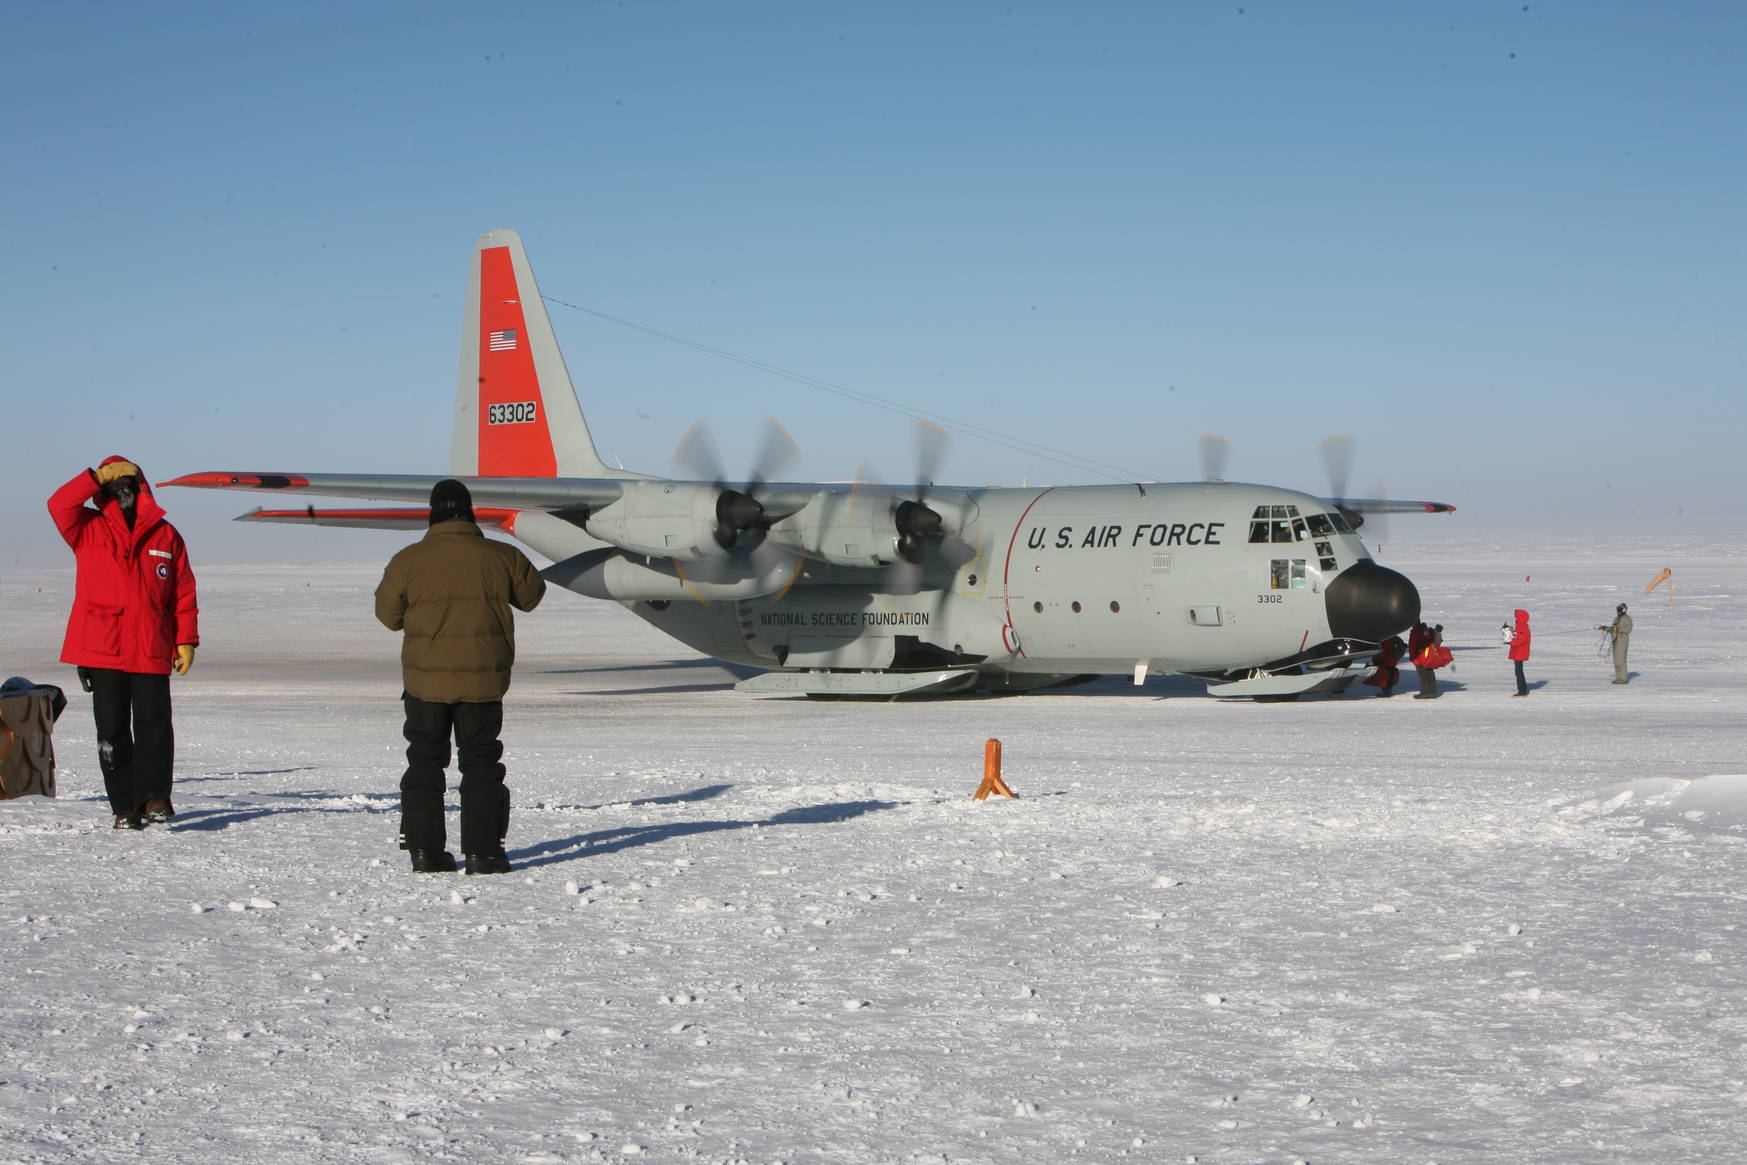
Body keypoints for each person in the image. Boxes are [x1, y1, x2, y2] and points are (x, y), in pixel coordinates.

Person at [375, 480, 545, 875]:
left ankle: (425, 851)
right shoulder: (502, 556)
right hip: (482, 684)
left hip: (424, 686)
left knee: (424, 762)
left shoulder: (407, 560)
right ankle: (484, 855)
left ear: (432, 515)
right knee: (481, 762)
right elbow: (532, 596)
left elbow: (388, 616)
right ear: (469, 513)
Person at [47, 458, 199, 829]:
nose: (123, 489)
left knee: (154, 725)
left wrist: (185, 640)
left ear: (141, 487)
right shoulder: (86, 528)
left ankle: (154, 798)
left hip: (150, 644)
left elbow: (182, 593)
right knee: (112, 730)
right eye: (115, 483)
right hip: (104, 647)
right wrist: (94, 476)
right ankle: (124, 807)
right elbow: (58, 504)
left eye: (128, 482)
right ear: (104, 489)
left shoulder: (166, 535)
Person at [1408, 621, 1445, 699]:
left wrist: (1412, 657)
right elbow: (1435, 641)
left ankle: (1424, 694)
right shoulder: (1427, 631)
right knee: (1430, 674)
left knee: (1423, 676)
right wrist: (1437, 632)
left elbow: (1412, 646)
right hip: (1429, 656)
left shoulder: (1415, 633)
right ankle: (1432, 693)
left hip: (1419, 657)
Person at [1598, 603, 1632, 684]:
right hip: (1615, 641)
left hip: (1622, 642)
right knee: (1616, 660)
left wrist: (1618, 629)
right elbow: (1613, 629)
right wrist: (1605, 628)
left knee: (1621, 660)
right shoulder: (1616, 619)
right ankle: (1618, 677)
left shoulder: (1627, 618)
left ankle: (1623, 678)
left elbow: (1628, 629)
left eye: (1619, 609)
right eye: (1617, 609)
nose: (1618, 611)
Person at [1364, 633, 1406, 697]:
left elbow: (1383, 649)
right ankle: (1387, 691)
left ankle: (1386, 692)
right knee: (1390, 675)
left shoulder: (1386, 638)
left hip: (1386, 660)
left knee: (1385, 677)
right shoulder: (1394, 637)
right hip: (1393, 659)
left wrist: (1377, 659)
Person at [1506, 608, 1532, 697]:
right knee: (1518, 671)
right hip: (1519, 651)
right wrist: (1511, 633)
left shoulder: (1522, 626)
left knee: (1518, 672)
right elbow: (1519, 636)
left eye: (1516, 616)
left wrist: (1510, 642)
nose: (1515, 618)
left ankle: (1522, 691)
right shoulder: (1521, 625)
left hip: (1519, 651)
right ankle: (1522, 689)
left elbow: (1521, 639)